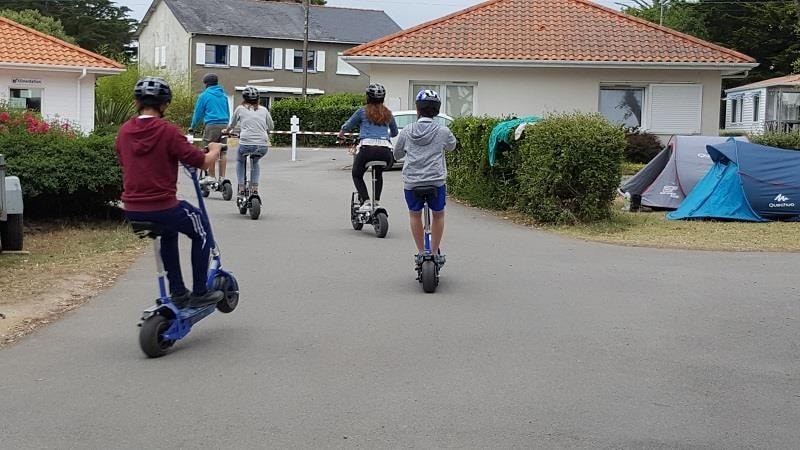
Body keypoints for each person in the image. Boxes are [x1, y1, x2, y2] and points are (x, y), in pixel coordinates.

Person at [116, 76, 224, 309]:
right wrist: (215, 150)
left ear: (137, 103)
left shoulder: (124, 131)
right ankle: (200, 292)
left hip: (132, 210)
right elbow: (202, 162)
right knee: (202, 231)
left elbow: (125, 160)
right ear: (164, 104)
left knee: (169, 233)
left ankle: (178, 293)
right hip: (162, 206)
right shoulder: (167, 131)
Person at [393, 89, 457, 264]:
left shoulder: (407, 131)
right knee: (438, 214)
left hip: (412, 182)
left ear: (417, 109)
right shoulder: (443, 131)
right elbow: (452, 146)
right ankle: (435, 252)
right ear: (437, 110)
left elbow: (397, 154)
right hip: (436, 181)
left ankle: (421, 252)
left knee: (414, 215)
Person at [338, 83, 398, 212]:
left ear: (368, 97)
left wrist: (341, 134)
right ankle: (376, 202)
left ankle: (366, 201)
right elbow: (395, 133)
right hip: (386, 152)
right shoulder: (388, 113)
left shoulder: (362, 111)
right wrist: (383, 135)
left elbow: (348, 125)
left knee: (357, 174)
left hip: (367, 149)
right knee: (378, 173)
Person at [224, 86, 274, 197]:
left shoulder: (240, 109)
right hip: (262, 145)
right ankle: (255, 188)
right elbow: (271, 126)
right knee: (255, 162)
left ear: (244, 98)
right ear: (258, 98)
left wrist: (226, 131)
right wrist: (266, 131)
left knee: (240, 161)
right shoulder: (264, 110)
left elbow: (232, 124)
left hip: (246, 143)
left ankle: (241, 187)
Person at [189, 73, 231, 184]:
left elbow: (198, 113)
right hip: (224, 125)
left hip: (212, 125)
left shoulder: (204, 96)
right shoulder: (224, 96)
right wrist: (226, 125)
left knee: (210, 150)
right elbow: (228, 112)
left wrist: (192, 126)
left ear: (206, 84)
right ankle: (222, 178)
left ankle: (211, 176)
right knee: (222, 151)